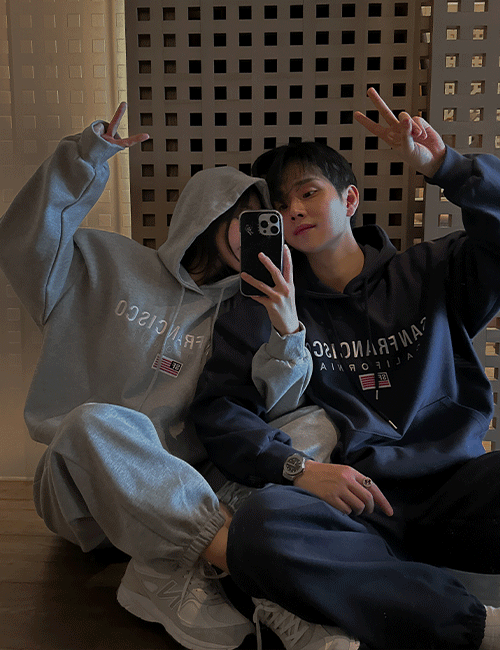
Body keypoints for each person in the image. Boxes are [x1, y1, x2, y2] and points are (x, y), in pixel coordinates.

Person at [0, 102, 320, 650]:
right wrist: (85, 158)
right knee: (94, 422)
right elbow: (23, 242)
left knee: (315, 422)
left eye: (264, 226)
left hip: (182, 493)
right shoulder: (103, 262)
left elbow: (274, 413)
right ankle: (244, 571)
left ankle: (170, 566)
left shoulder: (242, 312)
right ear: (208, 213)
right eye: (244, 219)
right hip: (81, 491)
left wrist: (286, 328)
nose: (255, 236)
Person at [191, 87, 500, 650]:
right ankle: (474, 626)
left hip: (455, 487)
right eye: (280, 206)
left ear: (350, 199)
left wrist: (445, 165)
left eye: (309, 192)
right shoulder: (263, 305)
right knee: (260, 526)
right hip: (355, 504)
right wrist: (296, 469)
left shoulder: (431, 271)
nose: (295, 211)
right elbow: (221, 411)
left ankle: (390, 593)